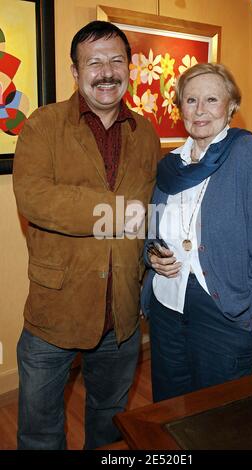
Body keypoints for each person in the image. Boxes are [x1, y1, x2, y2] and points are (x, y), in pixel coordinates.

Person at [13, 21, 160, 449]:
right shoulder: (43, 125)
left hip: (122, 314)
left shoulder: (147, 134)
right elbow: (35, 198)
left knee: (108, 422)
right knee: (39, 433)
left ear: (130, 69)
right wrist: (116, 211)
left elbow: (151, 208)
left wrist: (153, 249)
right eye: (93, 62)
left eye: (116, 60)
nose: (107, 71)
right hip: (54, 310)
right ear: (75, 73)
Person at [141, 63, 252, 403]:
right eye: (191, 100)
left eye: (211, 99)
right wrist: (152, 254)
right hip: (167, 307)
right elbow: (153, 226)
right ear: (180, 109)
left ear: (231, 106)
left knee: (219, 416)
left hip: (224, 311)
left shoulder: (248, 154)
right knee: (170, 410)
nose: (200, 110)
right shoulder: (171, 164)